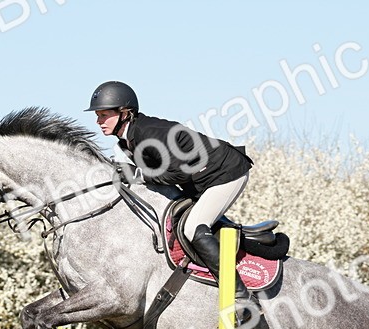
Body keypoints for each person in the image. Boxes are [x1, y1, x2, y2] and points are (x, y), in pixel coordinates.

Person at [86, 80, 252, 303]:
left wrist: (137, 175)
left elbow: (178, 175)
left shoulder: (148, 134)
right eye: (97, 115)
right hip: (200, 181)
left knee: (193, 228)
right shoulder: (126, 141)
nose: (98, 121)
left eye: (104, 115)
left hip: (225, 173)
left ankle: (242, 297)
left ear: (124, 113)